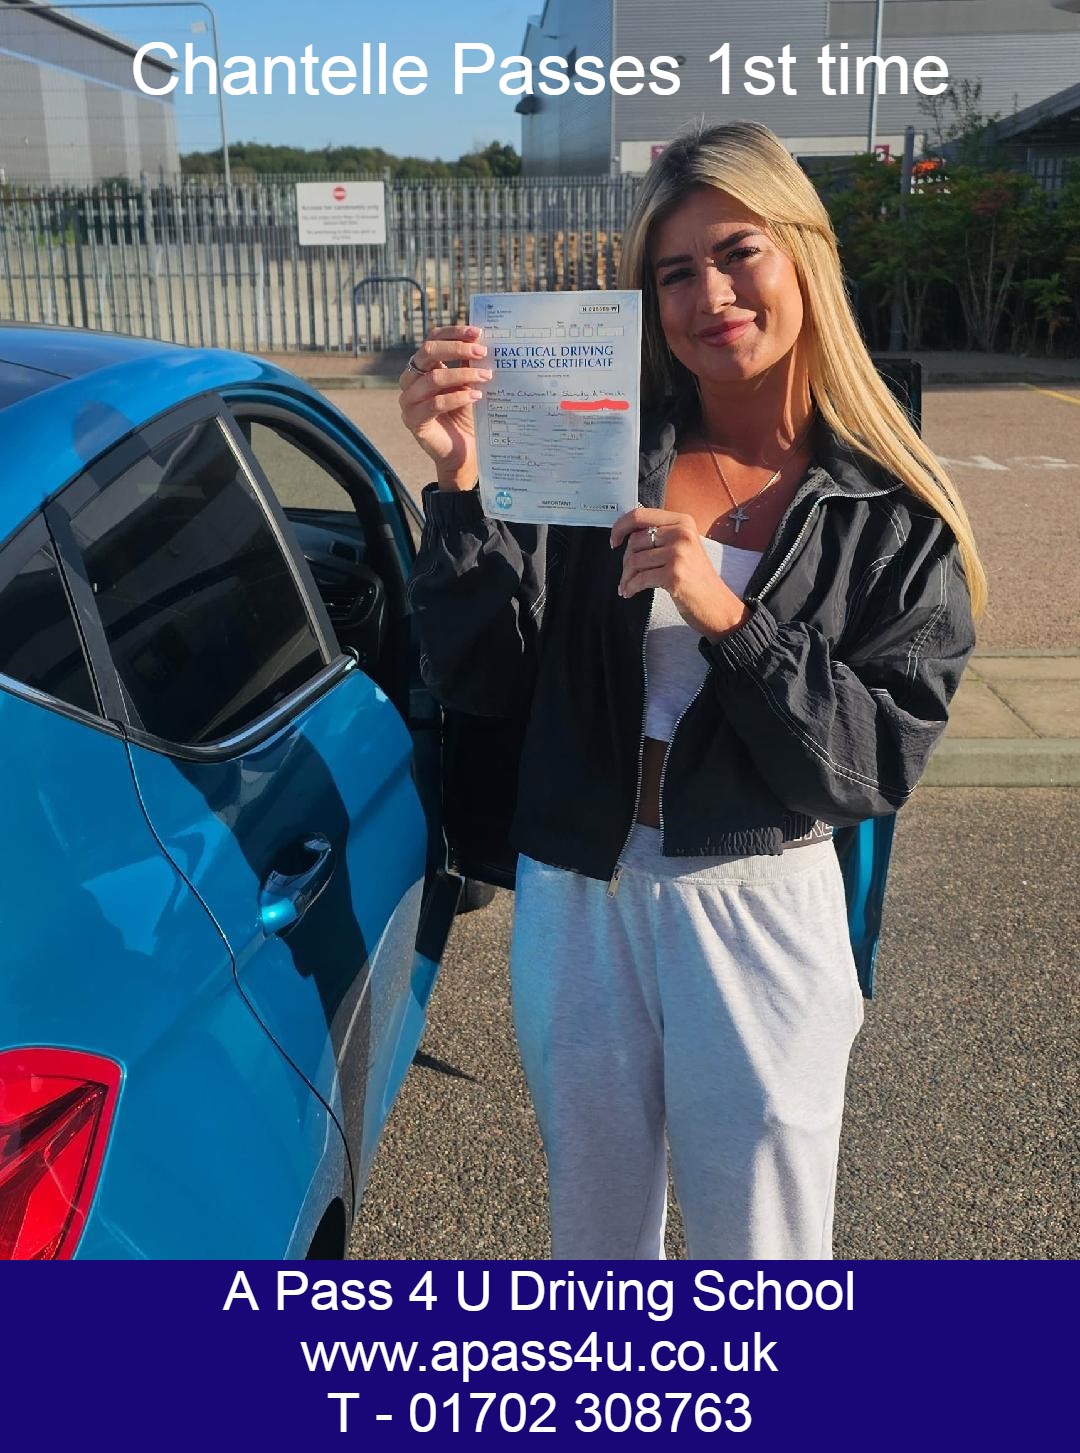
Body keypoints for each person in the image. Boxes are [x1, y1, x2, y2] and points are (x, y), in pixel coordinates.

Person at [399, 121, 985, 1261]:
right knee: (598, 1234)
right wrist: (461, 480)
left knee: (763, 1246)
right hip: (583, 893)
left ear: (803, 254)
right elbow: (483, 677)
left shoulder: (889, 513)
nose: (709, 293)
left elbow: (871, 765)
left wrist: (733, 618)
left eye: (737, 252)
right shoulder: (599, 455)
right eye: (675, 273)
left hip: (760, 899)